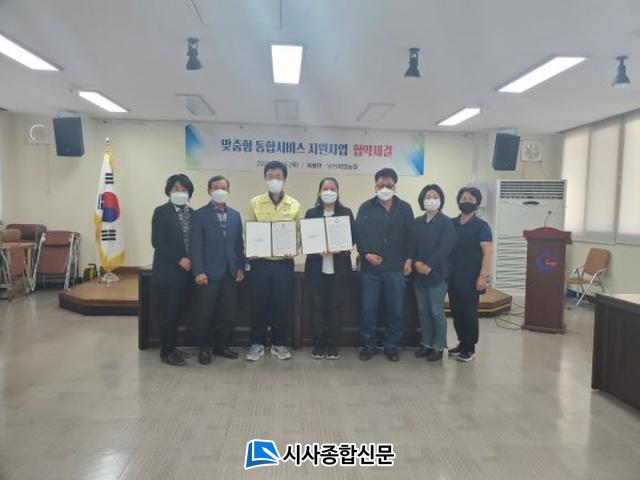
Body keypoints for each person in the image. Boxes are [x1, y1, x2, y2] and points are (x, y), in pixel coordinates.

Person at [355, 168, 415, 362]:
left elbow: (411, 236)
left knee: (395, 310)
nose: (385, 188)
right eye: (381, 185)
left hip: (396, 268)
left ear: (395, 187)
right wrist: (366, 254)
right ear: (375, 186)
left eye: (389, 185)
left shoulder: (405, 208)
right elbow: (358, 234)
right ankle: (368, 345)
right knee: (368, 309)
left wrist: (409, 259)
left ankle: (391, 345)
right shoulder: (366, 207)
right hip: (370, 269)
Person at [246, 160, 302, 361]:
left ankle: (279, 343)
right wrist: (250, 248)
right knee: (258, 303)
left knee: (281, 303)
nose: (274, 180)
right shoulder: (255, 202)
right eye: (270, 176)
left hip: (283, 263)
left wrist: (295, 249)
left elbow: (298, 233)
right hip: (260, 263)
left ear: (284, 178)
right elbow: (249, 230)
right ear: (265, 178)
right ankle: (257, 343)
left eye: (278, 176)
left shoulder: (294, 204)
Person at [191, 175, 245, 365]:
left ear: (228, 191)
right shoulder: (199, 215)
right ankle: (204, 348)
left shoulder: (235, 215)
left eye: (223, 187)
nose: (220, 191)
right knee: (205, 312)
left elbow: (238, 244)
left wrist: (240, 267)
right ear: (209, 191)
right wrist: (198, 271)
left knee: (228, 312)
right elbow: (195, 245)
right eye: (216, 187)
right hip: (207, 273)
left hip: (231, 272)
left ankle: (222, 346)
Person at [304, 177, 355, 360]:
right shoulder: (311, 213)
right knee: (317, 307)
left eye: (332, 189)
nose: (328, 192)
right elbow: (307, 239)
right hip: (316, 269)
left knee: (335, 308)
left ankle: (332, 344)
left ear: (337, 192)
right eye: (325, 189)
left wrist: (339, 247)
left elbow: (352, 238)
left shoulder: (346, 213)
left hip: (339, 269)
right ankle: (318, 344)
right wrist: (316, 248)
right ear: (319, 192)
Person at [150, 174, 195, 366]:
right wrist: (179, 259)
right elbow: (157, 242)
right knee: (168, 313)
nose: (180, 192)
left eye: (184, 190)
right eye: (176, 189)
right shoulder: (161, 212)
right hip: (168, 272)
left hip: (187, 273)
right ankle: (166, 352)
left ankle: (173, 346)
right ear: (169, 191)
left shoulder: (192, 213)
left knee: (178, 312)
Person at [448, 186, 493, 362]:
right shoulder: (451, 223)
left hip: (472, 277)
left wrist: (483, 276)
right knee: (456, 311)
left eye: (471, 199)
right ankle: (462, 343)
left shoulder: (482, 226)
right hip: (453, 275)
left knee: (469, 313)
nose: (466, 202)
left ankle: (470, 348)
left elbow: (487, 253)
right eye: (464, 199)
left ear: (477, 203)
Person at [412, 184, 456, 362]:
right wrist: (416, 262)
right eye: (428, 197)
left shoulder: (446, 223)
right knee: (422, 311)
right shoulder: (417, 222)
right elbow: (411, 245)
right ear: (422, 200)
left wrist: (429, 265)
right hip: (418, 274)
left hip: (437, 275)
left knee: (436, 311)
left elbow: (446, 247)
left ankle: (438, 346)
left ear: (441, 200)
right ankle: (426, 343)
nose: (431, 200)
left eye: (435, 196)